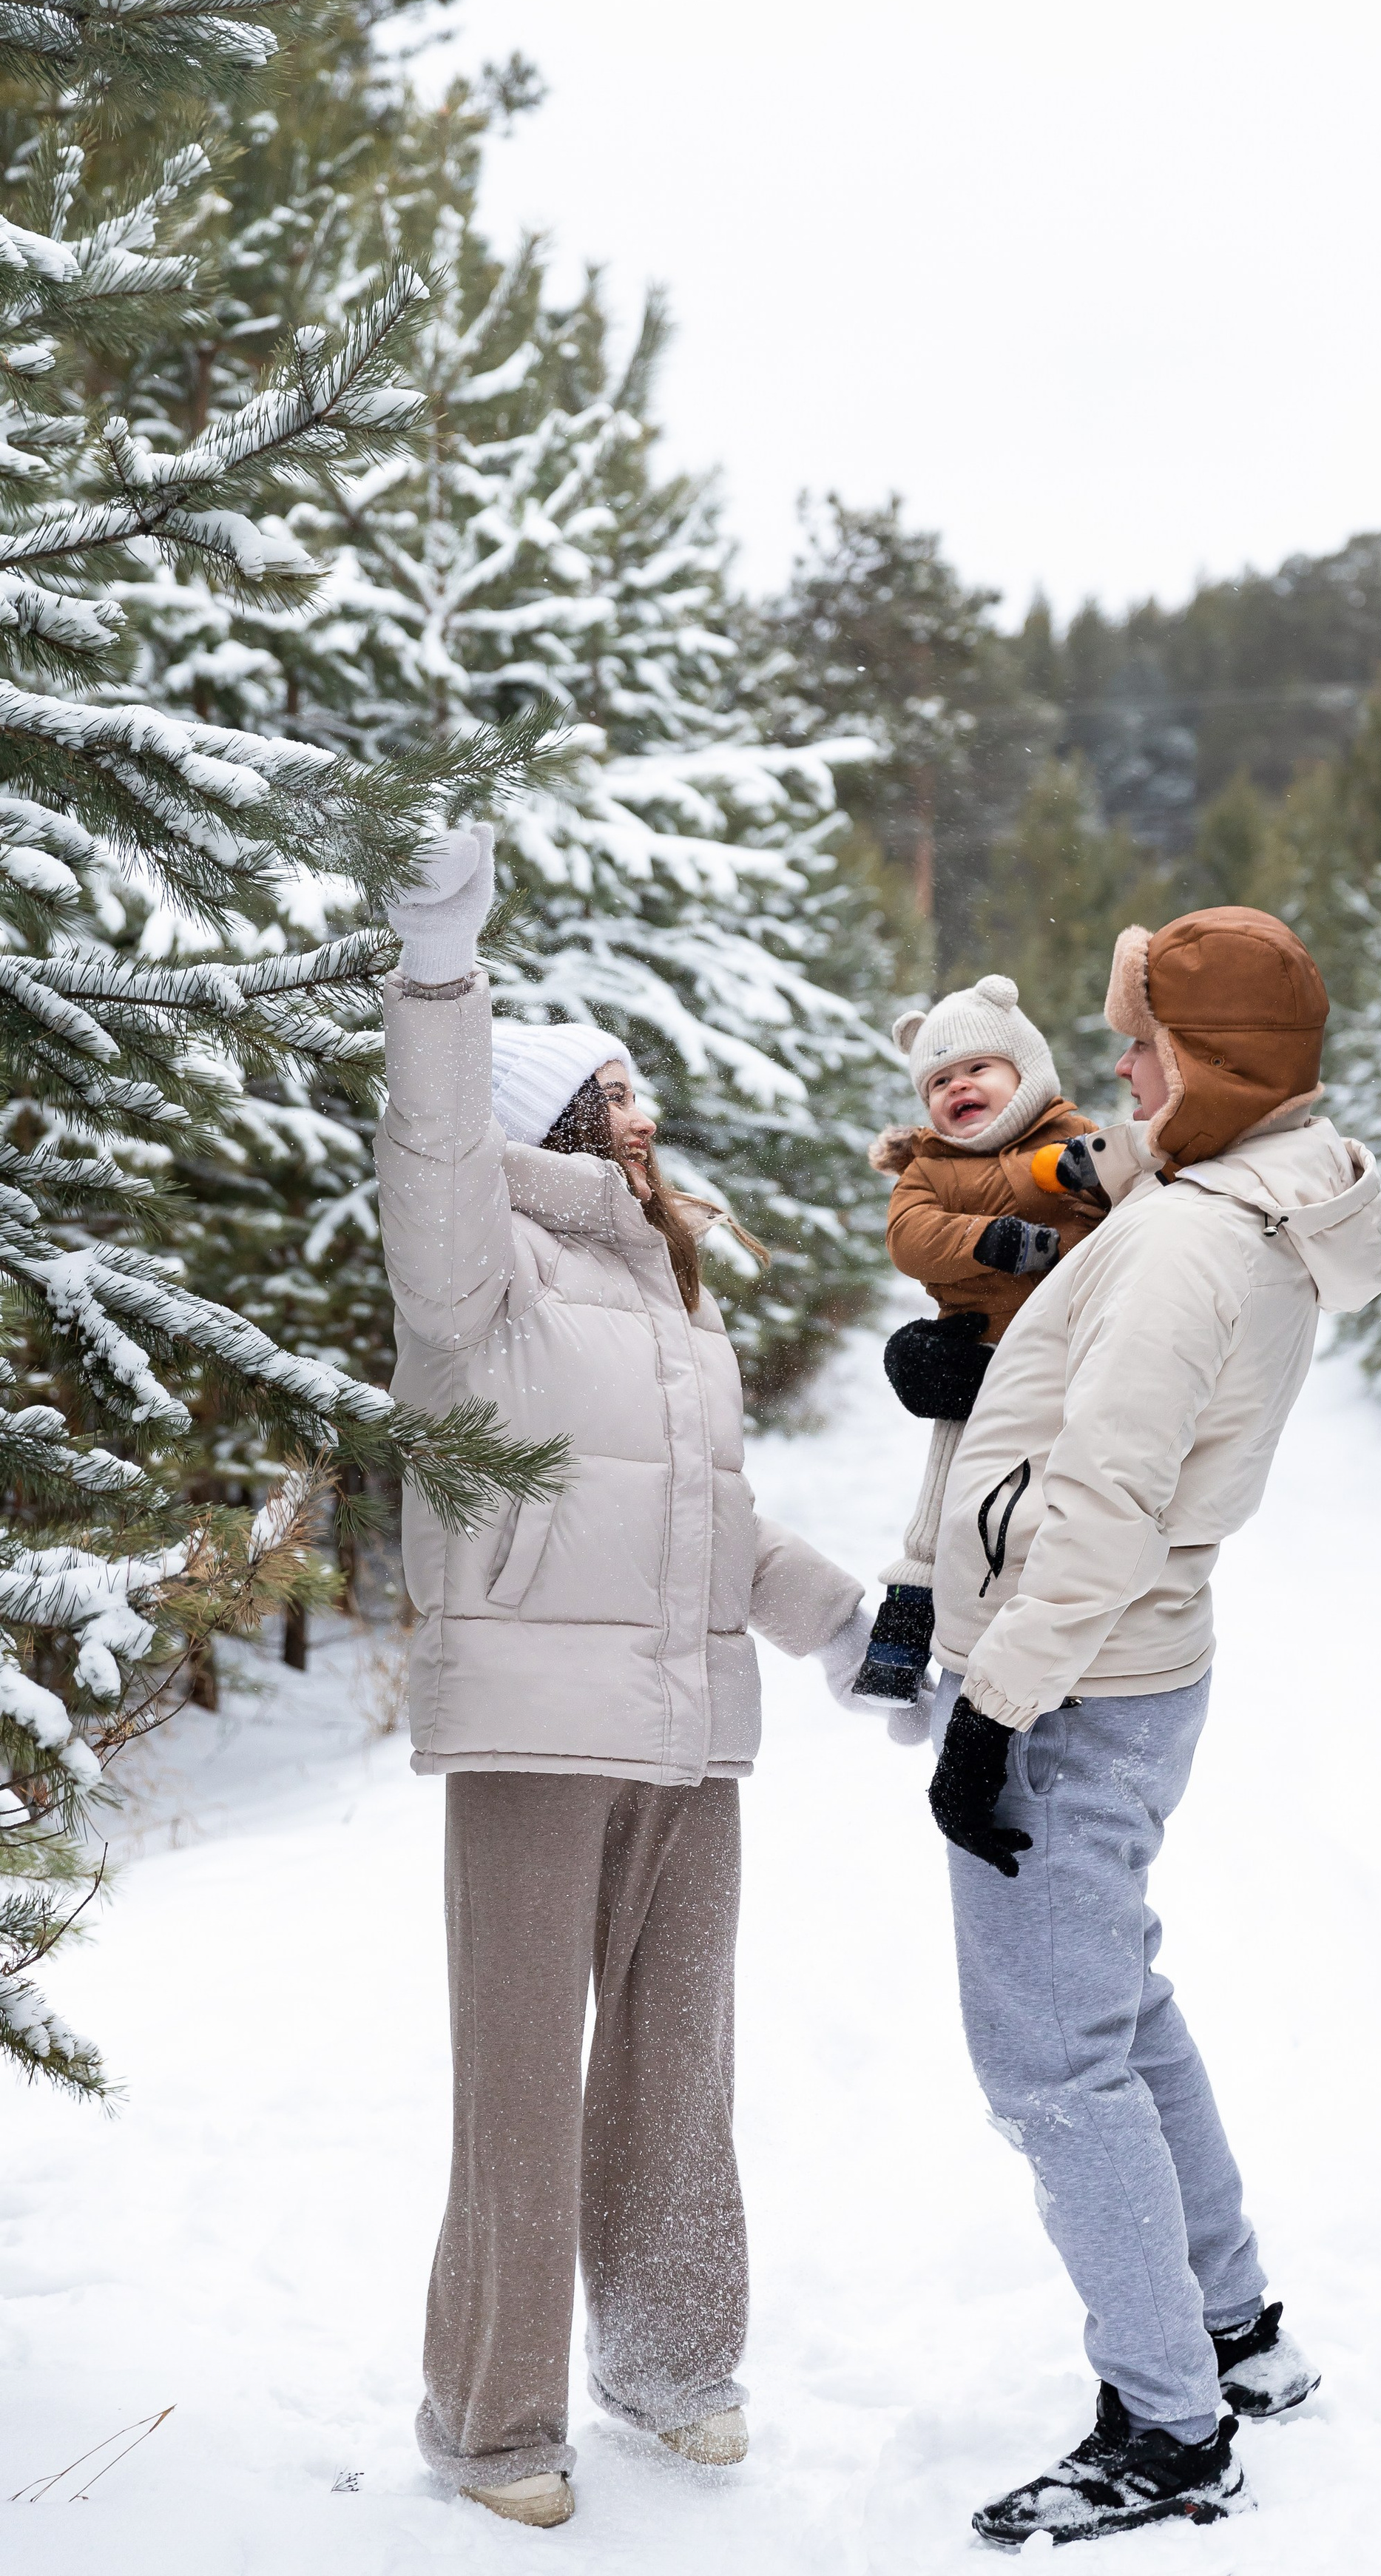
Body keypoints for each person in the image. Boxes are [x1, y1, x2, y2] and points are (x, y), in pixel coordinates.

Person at [375, 827, 885, 2530]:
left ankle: (671, 2364)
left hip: (689, 1736)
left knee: (679, 2065)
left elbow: (707, 1519)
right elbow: (430, 1148)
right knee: (520, 2083)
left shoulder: (668, 1291)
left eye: (638, 1088)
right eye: (610, 1093)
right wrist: (439, 968)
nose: (642, 1112)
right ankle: (493, 2417)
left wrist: (841, 1625)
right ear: (548, 1123)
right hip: (533, 1727)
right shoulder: (483, 1273)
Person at [922, 906, 1381, 2548]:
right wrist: (985, 1377)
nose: (1118, 1069)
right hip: (1128, 1666)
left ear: (1219, 1065)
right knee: (1113, 2003)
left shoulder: (1195, 1241)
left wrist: (991, 1712)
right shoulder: (1231, 1201)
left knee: (1053, 2063)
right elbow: (1101, 1379)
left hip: (1073, 1677)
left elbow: (1108, 1503)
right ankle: (1230, 2325)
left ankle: (1169, 2429)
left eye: (1148, 1044)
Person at [855, 973, 1105, 1702]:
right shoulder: (928, 1166)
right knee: (946, 1492)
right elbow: (908, 1238)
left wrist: (1080, 1185)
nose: (957, 1086)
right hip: (976, 1353)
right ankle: (904, 1631)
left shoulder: (1072, 1139)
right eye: (938, 1081)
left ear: (1026, 1069)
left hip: (1066, 1356)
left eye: (977, 1068)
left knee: (1049, 1500)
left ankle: (1040, 1633)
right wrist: (988, 1240)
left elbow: (1124, 1204)